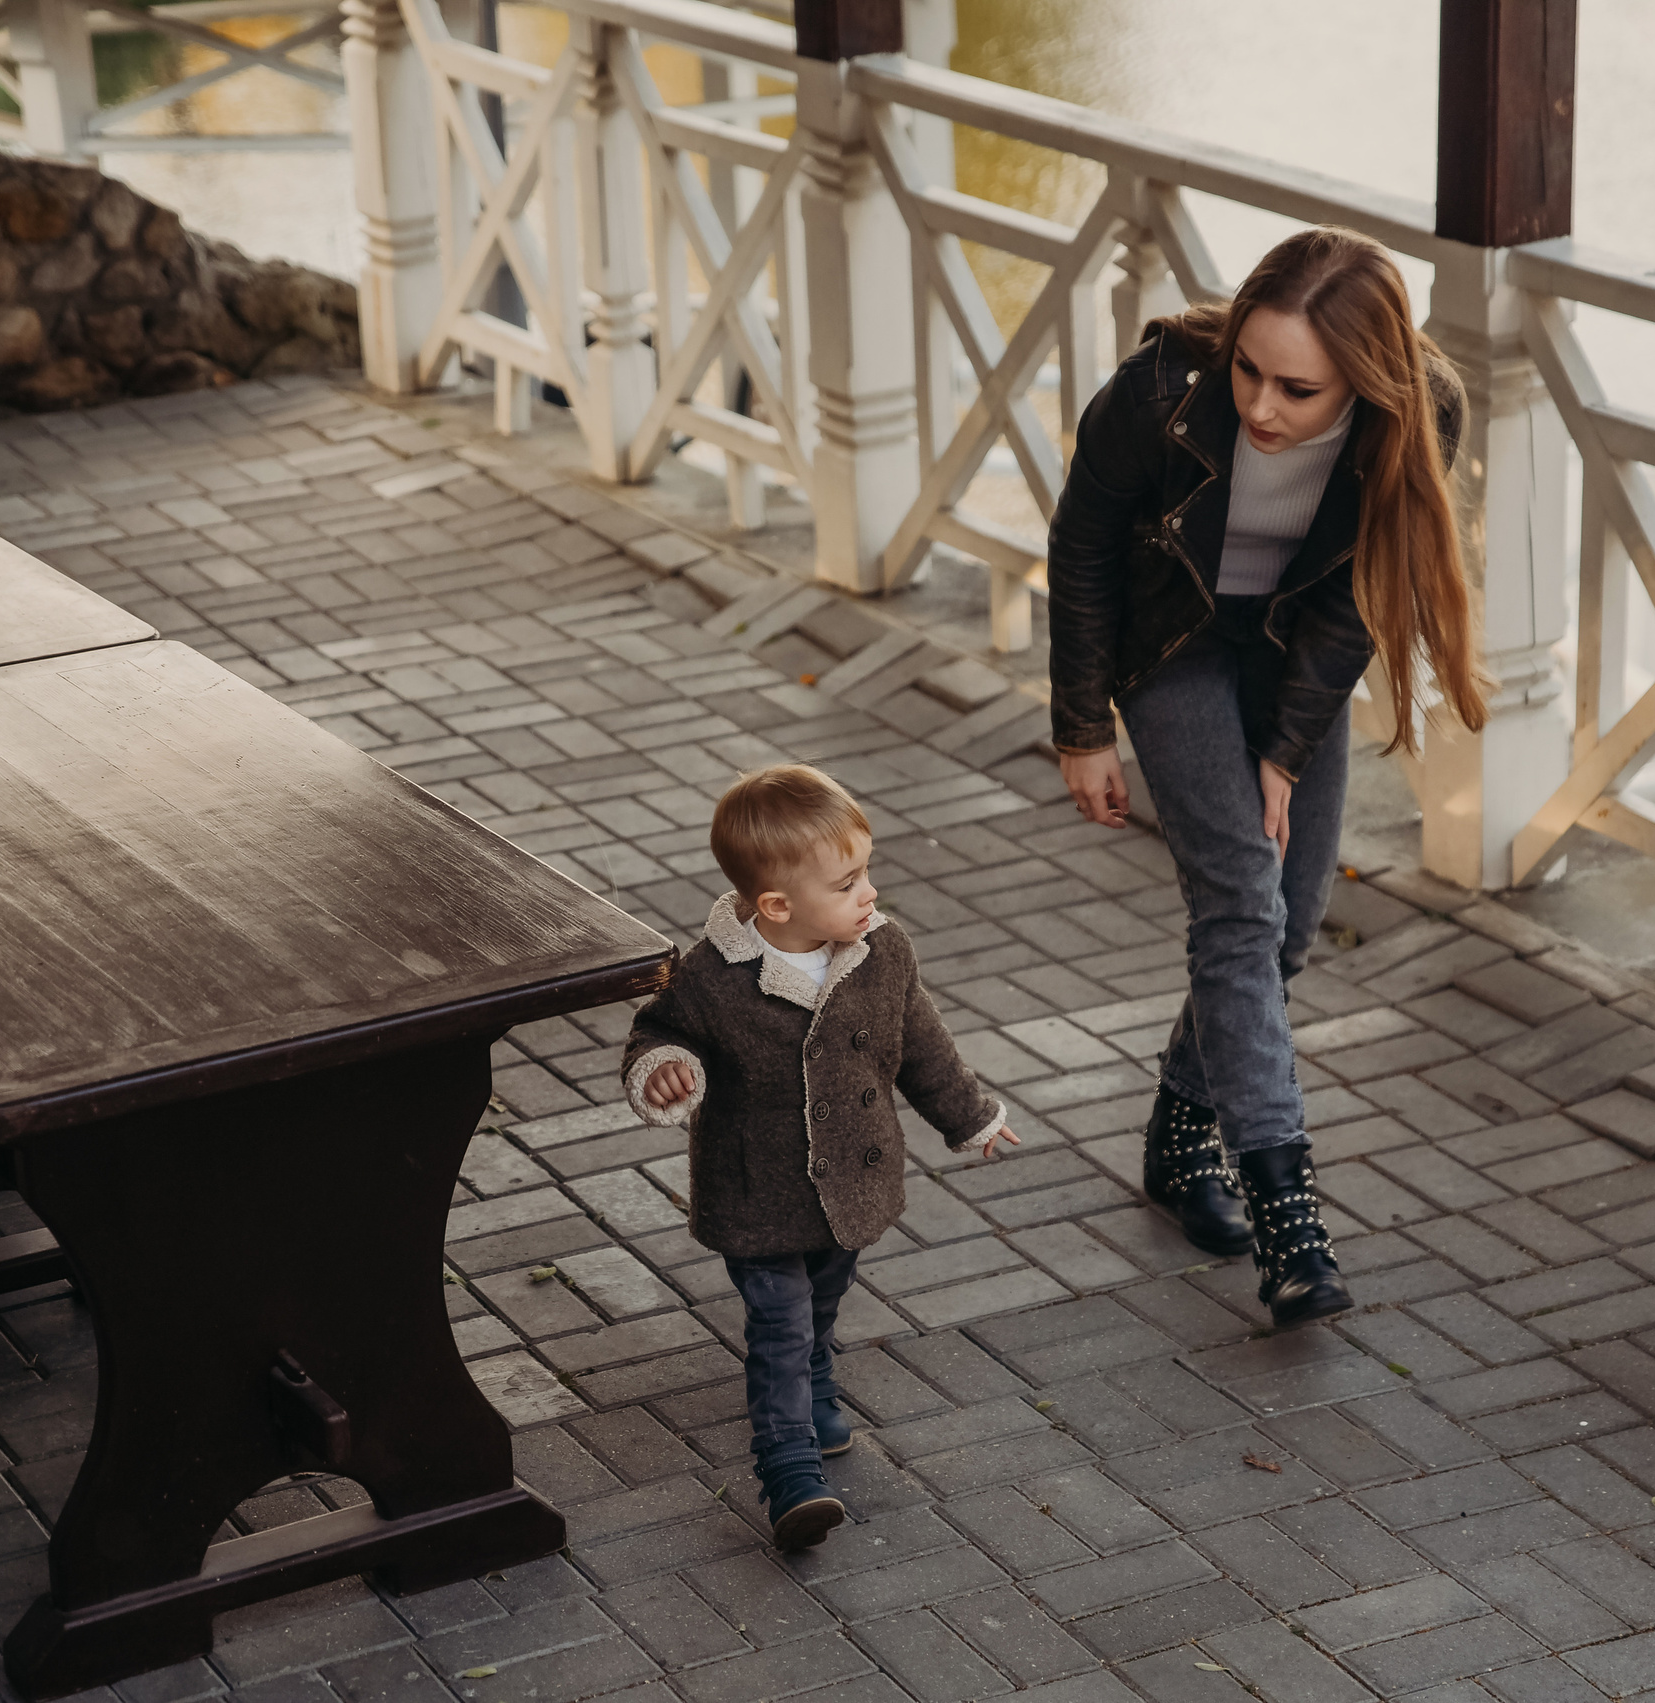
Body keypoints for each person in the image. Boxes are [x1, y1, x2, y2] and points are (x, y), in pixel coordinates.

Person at [1046, 226, 1488, 1330]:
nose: (1259, 406)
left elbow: (1357, 594)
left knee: (1289, 926)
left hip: (1292, 647)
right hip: (1170, 641)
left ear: (1366, 377)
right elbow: (1084, 544)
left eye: (1299, 389)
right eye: (1249, 367)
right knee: (1239, 908)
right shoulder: (1154, 393)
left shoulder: (1417, 410)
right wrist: (1081, 726)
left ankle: (1176, 1128)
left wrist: (1283, 749)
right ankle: (1289, 1217)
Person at [623, 763, 1019, 1550]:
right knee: (779, 1316)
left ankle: (817, 1378)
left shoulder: (882, 951)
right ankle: (789, 1469)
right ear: (776, 905)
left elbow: (923, 1048)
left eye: (866, 870)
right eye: (847, 882)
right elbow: (658, 1031)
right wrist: (666, 1070)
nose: (868, 892)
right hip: (756, 1190)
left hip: (850, 1181)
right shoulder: (712, 974)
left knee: (824, 1296)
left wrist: (970, 1116)